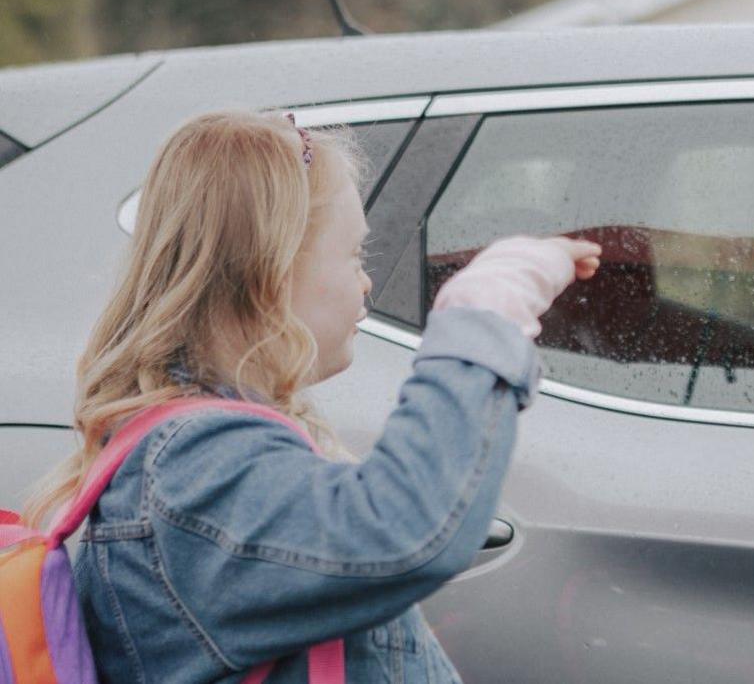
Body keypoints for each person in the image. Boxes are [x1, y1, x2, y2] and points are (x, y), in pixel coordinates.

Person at [22, 110, 600, 682]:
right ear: (270, 271)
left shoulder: (199, 456)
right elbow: (403, 527)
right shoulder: (195, 468)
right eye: (354, 256)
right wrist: (485, 311)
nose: (365, 281)